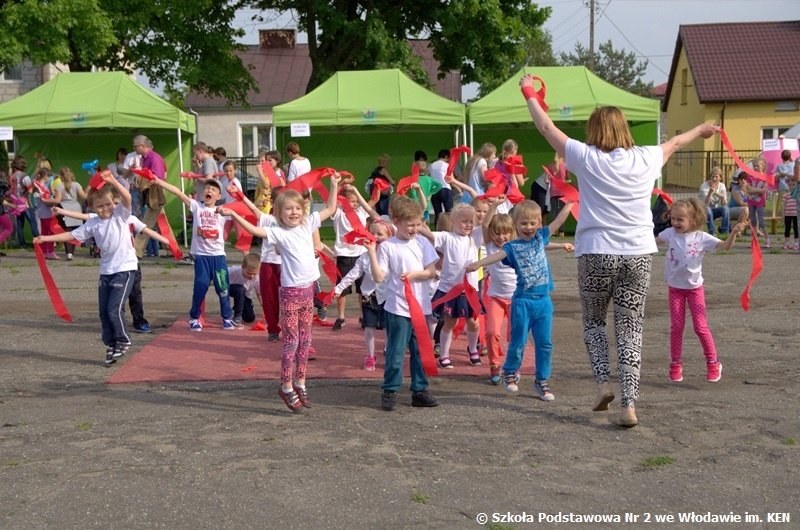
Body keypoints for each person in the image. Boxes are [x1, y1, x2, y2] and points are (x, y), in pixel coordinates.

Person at [519, 72, 720, 427]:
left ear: (594, 130)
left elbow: (547, 129)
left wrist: (529, 93)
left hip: (596, 251)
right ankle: (629, 403)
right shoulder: (645, 157)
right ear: (624, 128)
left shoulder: (585, 156)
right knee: (630, 327)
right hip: (638, 254)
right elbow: (674, 142)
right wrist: (700, 131)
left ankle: (602, 386)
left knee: (595, 322)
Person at [220, 174, 341, 413]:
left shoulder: (308, 224)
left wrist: (334, 185)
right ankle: (285, 386)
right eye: (288, 209)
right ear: (278, 213)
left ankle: (300, 382)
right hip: (290, 294)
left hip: (308, 292)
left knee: (306, 341)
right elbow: (255, 227)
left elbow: (330, 207)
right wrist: (233, 214)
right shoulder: (278, 232)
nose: (294, 212)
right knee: (291, 342)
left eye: (297, 208)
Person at [467, 200, 575, 402]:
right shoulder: (512, 246)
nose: (529, 227)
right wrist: (478, 264)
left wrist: (572, 202)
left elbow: (558, 221)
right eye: (523, 223)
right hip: (522, 301)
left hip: (543, 301)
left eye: (533, 223)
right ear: (515, 224)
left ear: (539, 224)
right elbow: (496, 255)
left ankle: (541, 381)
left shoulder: (540, 239)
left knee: (545, 344)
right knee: (518, 342)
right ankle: (509, 372)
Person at [35, 172, 140, 366]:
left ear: (114, 203)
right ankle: (111, 345)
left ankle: (123, 340)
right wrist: (45, 239)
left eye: (108, 204)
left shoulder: (120, 215)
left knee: (113, 310)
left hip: (124, 269)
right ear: (92, 208)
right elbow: (70, 236)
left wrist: (113, 182)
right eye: (100, 206)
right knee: (103, 312)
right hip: (106, 271)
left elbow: (126, 197)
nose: (105, 208)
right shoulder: (93, 223)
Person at [656, 198, 745, 383]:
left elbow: (725, 247)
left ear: (693, 220)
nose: (675, 223)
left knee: (700, 327)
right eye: (673, 219)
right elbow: (651, 242)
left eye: (680, 219)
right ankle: (675, 364)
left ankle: (713, 362)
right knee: (676, 327)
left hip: (695, 289)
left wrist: (733, 234)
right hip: (675, 290)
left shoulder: (701, 237)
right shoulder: (670, 234)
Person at [370, 195, 439, 411]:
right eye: (410, 225)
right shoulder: (388, 246)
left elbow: (431, 271)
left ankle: (419, 390)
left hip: (420, 307)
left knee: (420, 351)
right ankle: (390, 389)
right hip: (398, 308)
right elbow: (380, 277)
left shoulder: (422, 243)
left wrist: (414, 276)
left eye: (418, 224)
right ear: (396, 222)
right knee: (396, 351)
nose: (415, 229)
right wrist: (372, 252)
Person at [151, 177, 236, 331]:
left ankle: (227, 318)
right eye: (207, 188)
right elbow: (178, 192)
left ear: (218, 196)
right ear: (203, 193)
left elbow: (243, 209)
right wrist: (158, 181)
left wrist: (238, 196)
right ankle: (195, 318)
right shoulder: (197, 206)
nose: (209, 190)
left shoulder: (223, 211)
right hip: (201, 257)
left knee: (223, 288)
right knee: (200, 287)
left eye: (214, 189)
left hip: (218, 257)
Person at [420, 203, 483, 368]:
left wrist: (494, 206)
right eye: (464, 221)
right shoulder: (447, 237)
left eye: (471, 221)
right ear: (454, 221)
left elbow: (488, 222)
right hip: (450, 290)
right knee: (450, 323)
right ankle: (444, 355)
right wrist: (417, 225)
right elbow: (428, 234)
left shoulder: (474, 238)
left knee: (473, 322)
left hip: (469, 290)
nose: (468, 225)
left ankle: (473, 349)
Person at [334, 219, 393, 370]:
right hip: (369, 297)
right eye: (372, 233)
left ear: (389, 236)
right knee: (369, 328)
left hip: (387, 297)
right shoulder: (364, 257)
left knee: (388, 328)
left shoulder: (391, 255)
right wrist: (339, 288)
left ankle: (389, 351)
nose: (375, 237)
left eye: (380, 234)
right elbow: (353, 274)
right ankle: (370, 356)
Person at [330, 184, 379, 331]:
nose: (356, 204)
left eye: (357, 201)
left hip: (360, 254)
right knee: (341, 290)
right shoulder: (338, 213)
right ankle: (341, 317)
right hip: (344, 256)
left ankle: (364, 316)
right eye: (352, 201)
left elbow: (374, 200)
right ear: (343, 201)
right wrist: (338, 185)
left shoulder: (362, 213)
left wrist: (377, 185)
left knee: (362, 289)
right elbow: (332, 201)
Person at [480, 205, 517, 385]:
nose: (501, 237)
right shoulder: (490, 246)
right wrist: (493, 206)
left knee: (515, 335)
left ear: (512, 233)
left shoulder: (516, 246)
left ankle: (512, 367)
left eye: (505, 233)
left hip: (516, 299)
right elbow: (485, 224)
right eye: (497, 233)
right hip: (496, 297)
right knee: (492, 332)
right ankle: (495, 365)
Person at [131, 135, 170, 259]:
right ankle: (171, 249)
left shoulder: (154, 158)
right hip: (150, 194)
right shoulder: (145, 158)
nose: (134, 148)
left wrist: (140, 179)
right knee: (163, 225)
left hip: (155, 194)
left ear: (142, 145)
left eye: (135, 146)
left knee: (145, 224)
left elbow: (158, 178)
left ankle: (136, 251)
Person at [56, 167, 87, 260]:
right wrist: (89, 189)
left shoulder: (59, 186)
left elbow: (58, 199)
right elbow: (84, 196)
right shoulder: (76, 185)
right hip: (76, 208)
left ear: (61, 176)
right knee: (75, 231)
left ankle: (69, 253)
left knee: (67, 230)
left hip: (65, 208)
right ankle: (72, 251)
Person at [32, 167, 62, 260]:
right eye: (49, 176)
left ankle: (44, 251)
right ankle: (50, 251)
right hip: (45, 211)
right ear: (45, 176)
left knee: (45, 232)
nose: (50, 178)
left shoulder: (40, 186)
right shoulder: (40, 187)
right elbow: (43, 200)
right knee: (50, 232)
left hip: (43, 211)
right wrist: (53, 202)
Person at [9, 155, 38, 248]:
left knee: (20, 224)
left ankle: (22, 244)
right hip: (25, 203)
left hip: (15, 203)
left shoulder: (12, 176)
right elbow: (30, 190)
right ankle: (38, 242)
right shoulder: (25, 176)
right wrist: (35, 187)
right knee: (32, 222)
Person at [228, 253, 262, 326]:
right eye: (249, 273)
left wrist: (264, 306)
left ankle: (235, 309)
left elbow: (259, 293)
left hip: (245, 295)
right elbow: (221, 273)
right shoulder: (234, 270)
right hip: (230, 289)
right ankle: (238, 316)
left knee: (249, 318)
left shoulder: (257, 278)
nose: (252, 276)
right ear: (242, 267)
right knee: (240, 289)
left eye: (254, 274)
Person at [745, 157, 770, 247]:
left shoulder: (765, 177)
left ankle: (767, 239)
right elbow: (747, 188)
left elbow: (763, 191)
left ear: (763, 167)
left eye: (757, 166)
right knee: (753, 221)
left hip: (760, 202)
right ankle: (754, 240)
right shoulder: (750, 176)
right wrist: (757, 190)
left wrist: (753, 190)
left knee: (761, 221)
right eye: (754, 166)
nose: (755, 168)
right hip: (751, 201)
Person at [698, 167, 729, 235]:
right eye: (712, 177)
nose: (714, 179)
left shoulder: (722, 186)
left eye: (716, 177)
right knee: (708, 209)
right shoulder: (704, 186)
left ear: (720, 178)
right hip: (703, 211)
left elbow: (724, 204)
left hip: (714, 210)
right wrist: (710, 192)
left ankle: (725, 231)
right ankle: (712, 232)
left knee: (725, 209)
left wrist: (721, 196)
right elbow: (705, 204)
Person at [428, 149, 452, 227]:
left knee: (437, 213)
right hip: (445, 188)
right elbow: (451, 178)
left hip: (434, 190)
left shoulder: (431, 165)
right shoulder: (447, 165)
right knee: (449, 212)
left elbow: (429, 177)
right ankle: (450, 228)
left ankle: (438, 229)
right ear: (446, 157)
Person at [782, 170, 799, 250]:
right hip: (788, 215)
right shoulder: (786, 195)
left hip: (796, 215)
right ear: (788, 186)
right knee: (787, 229)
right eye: (790, 185)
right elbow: (784, 206)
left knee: (796, 229)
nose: (791, 186)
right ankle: (787, 242)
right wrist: (783, 214)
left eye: (793, 185)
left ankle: (796, 243)